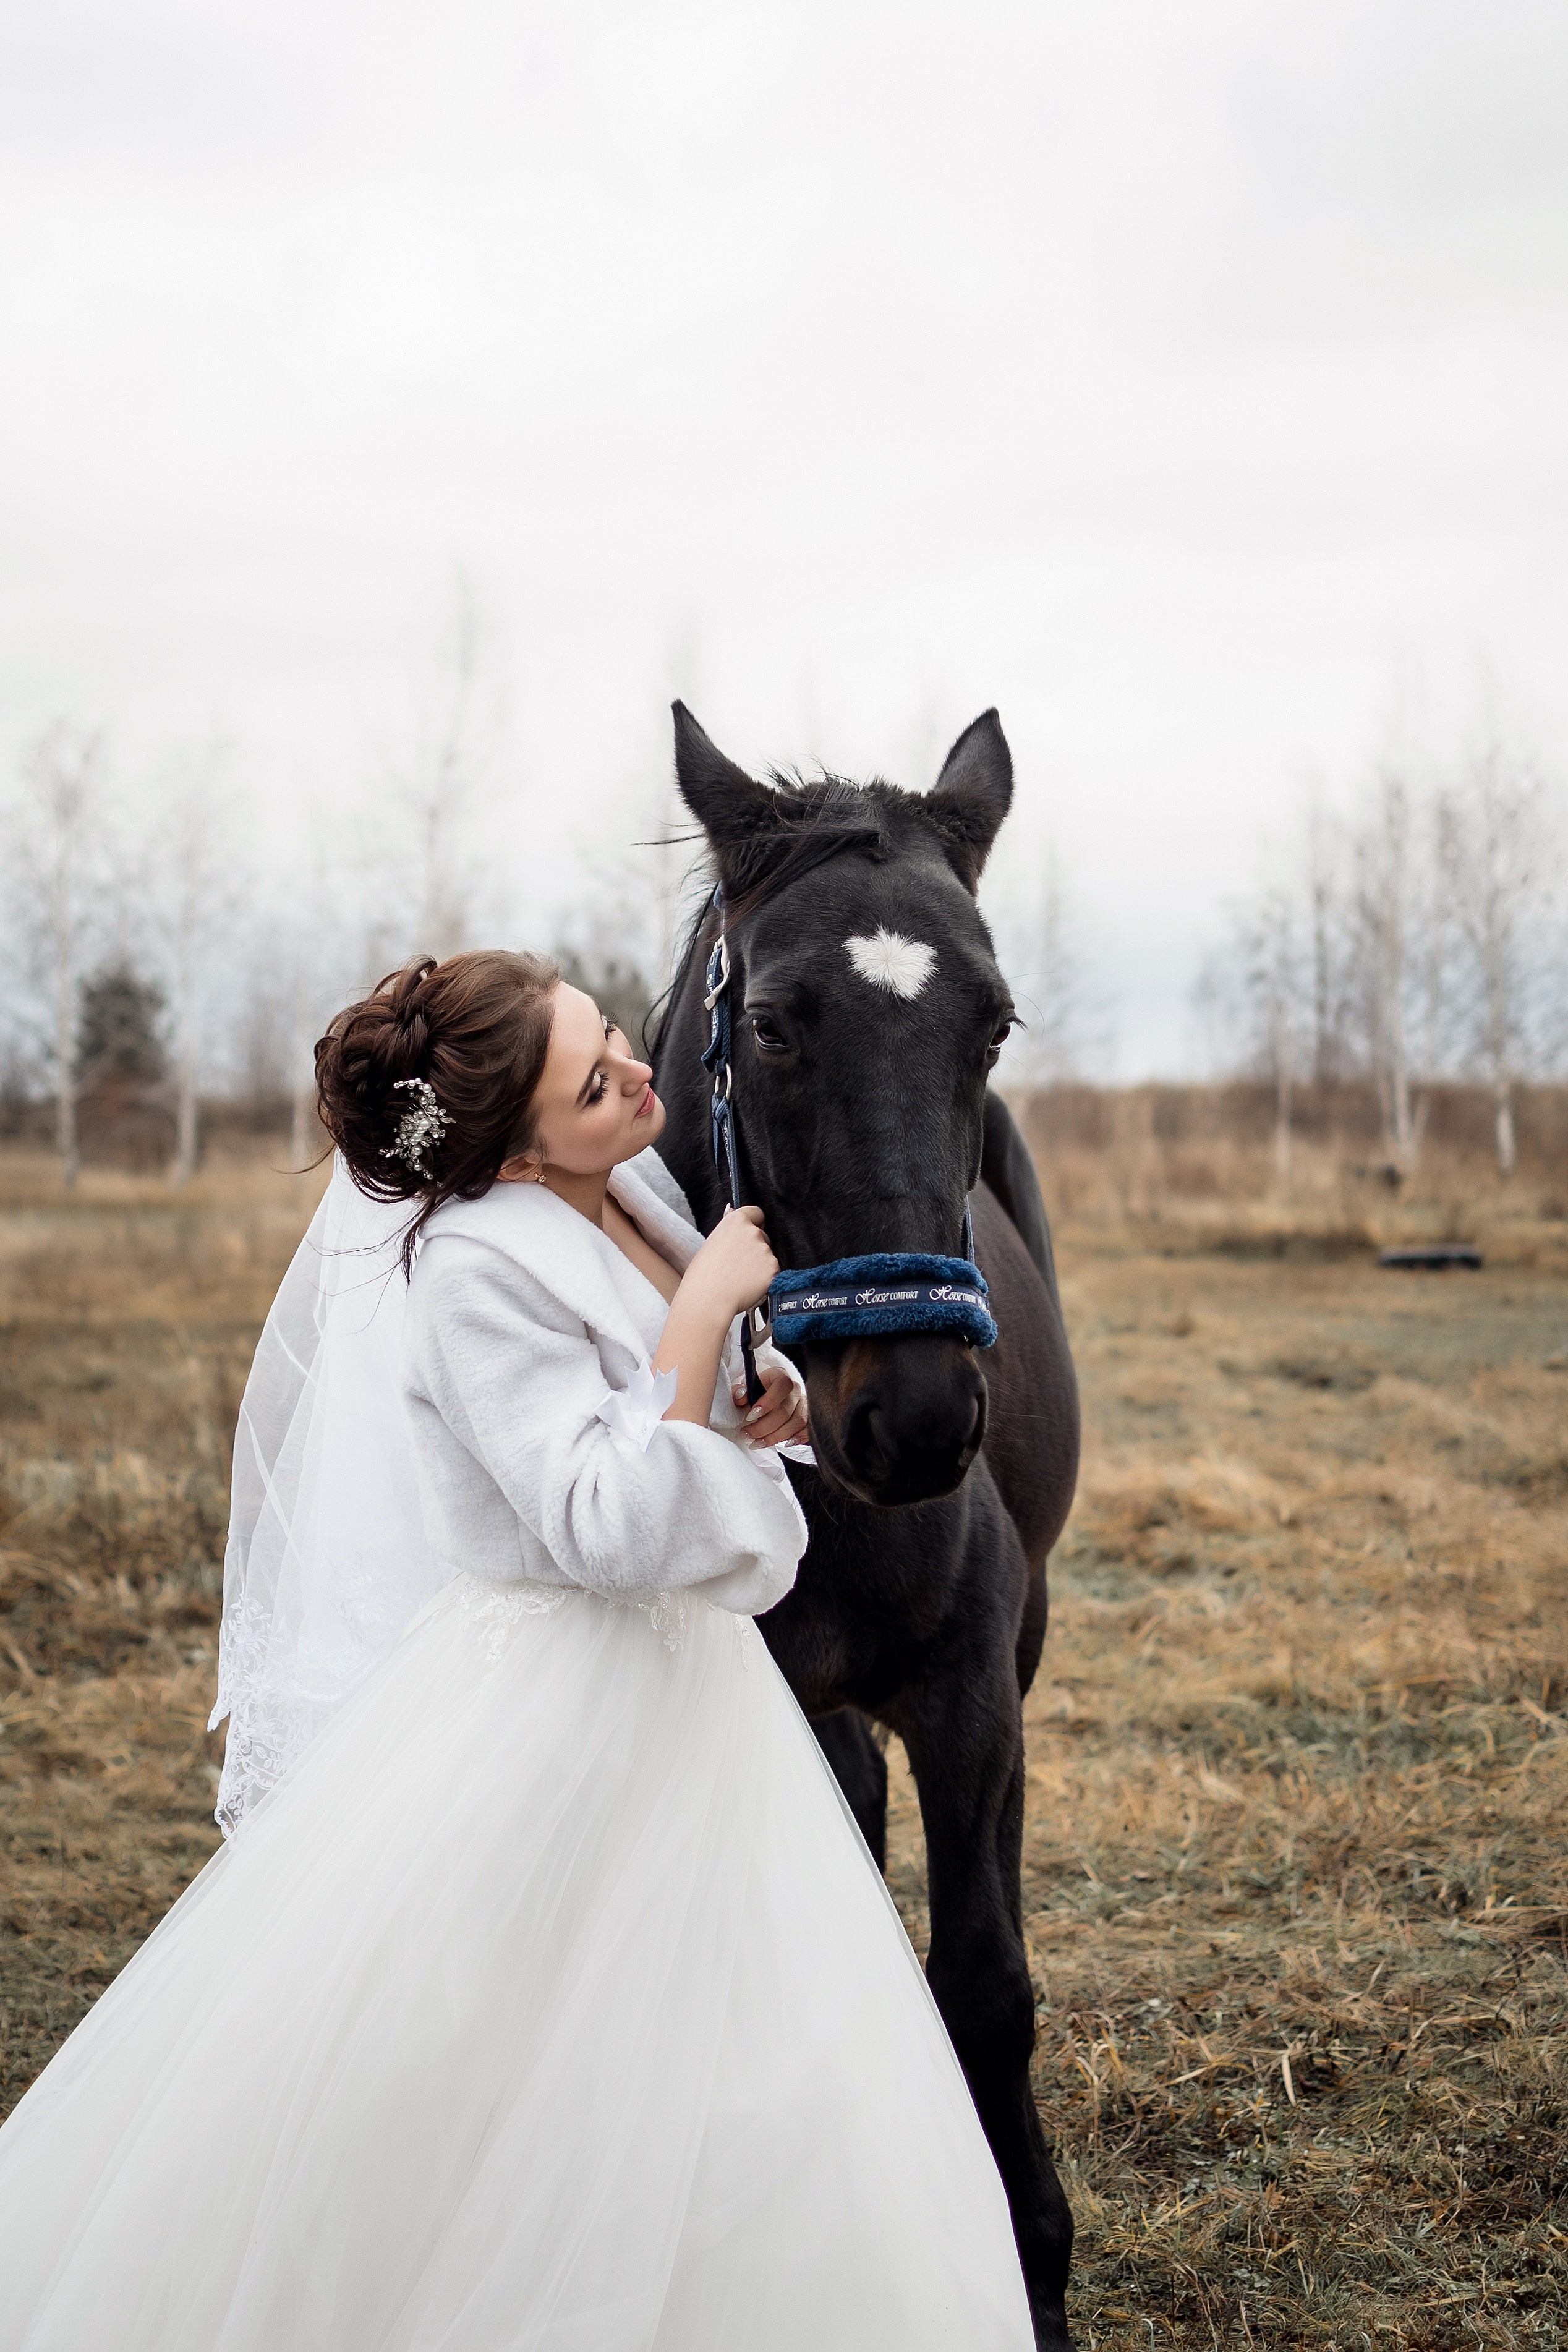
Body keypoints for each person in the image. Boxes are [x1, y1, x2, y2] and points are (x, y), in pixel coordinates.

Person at [0, 948, 1034, 2350]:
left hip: (690, 1683)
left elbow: (657, 1408)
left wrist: (758, 1398)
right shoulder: (473, 1273)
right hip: (564, 1697)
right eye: (591, 1082)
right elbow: (601, 1518)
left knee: (744, 2020)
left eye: (610, 1037)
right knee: (531, 2036)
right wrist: (702, 1315)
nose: (635, 1075)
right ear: (513, 1146)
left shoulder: (638, 1193)